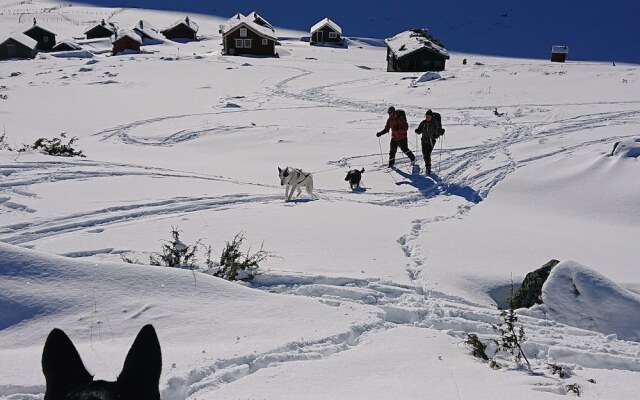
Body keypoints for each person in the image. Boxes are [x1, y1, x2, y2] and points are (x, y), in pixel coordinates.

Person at [415, 109, 443, 175]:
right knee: (424, 154)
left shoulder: (435, 122)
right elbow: (420, 129)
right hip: (424, 140)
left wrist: (440, 132)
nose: (427, 117)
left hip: (431, 140)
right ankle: (427, 165)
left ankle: (428, 169)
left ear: (431, 116)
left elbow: (439, 130)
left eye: (428, 116)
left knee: (427, 154)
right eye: (426, 116)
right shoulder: (423, 122)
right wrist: (418, 131)